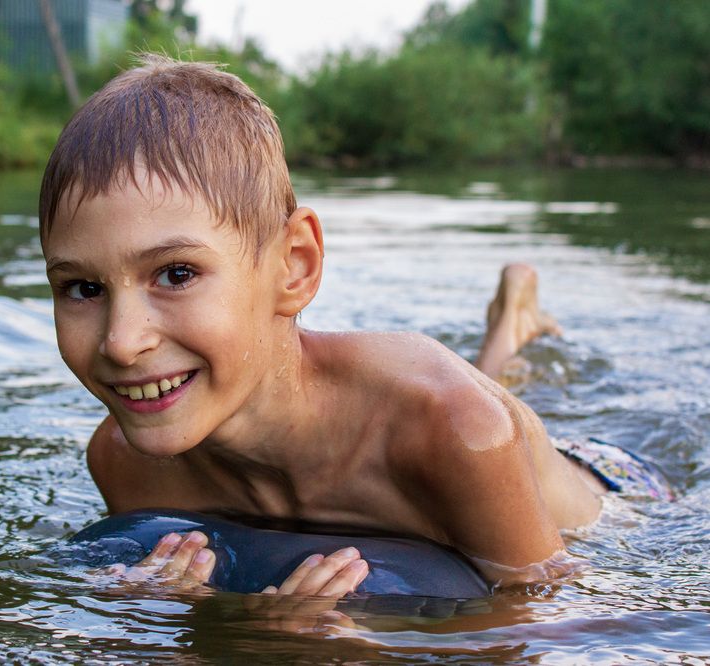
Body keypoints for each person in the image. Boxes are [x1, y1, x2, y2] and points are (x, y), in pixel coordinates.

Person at [37, 55, 672, 599]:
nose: (123, 342)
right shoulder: (124, 462)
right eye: (83, 289)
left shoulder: (453, 429)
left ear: (295, 265)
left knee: (498, 406)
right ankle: (509, 326)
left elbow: (555, 618)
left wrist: (361, 649)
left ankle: (512, 325)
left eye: (175, 274)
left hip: (614, 491)